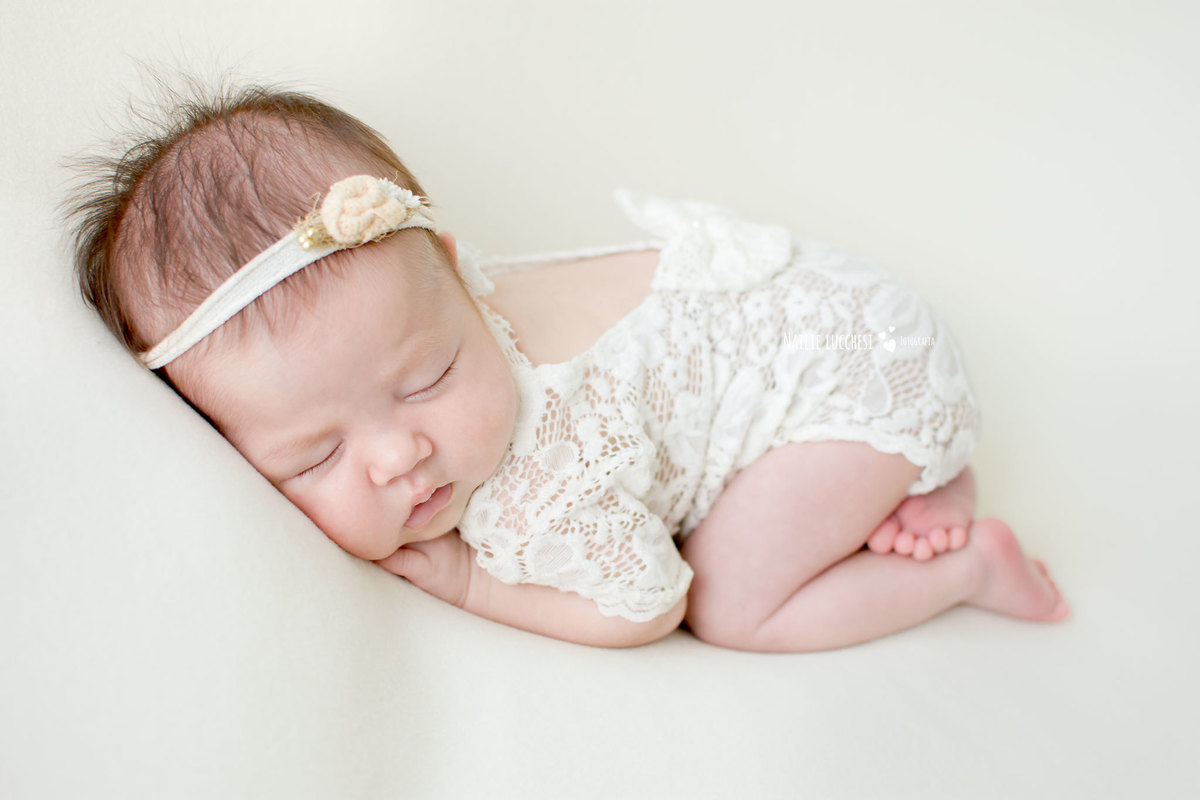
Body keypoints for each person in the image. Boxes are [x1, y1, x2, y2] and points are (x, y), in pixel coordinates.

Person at [65, 80, 1069, 652]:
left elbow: (650, 600)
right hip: (833, 313)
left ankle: (968, 561)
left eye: (427, 380)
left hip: (855, 368)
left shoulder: (536, 485)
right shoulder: (417, 317)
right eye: (313, 454)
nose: (399, 455)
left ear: (458, 276)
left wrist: (471, 582)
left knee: (733, 605)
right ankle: (908, 474)